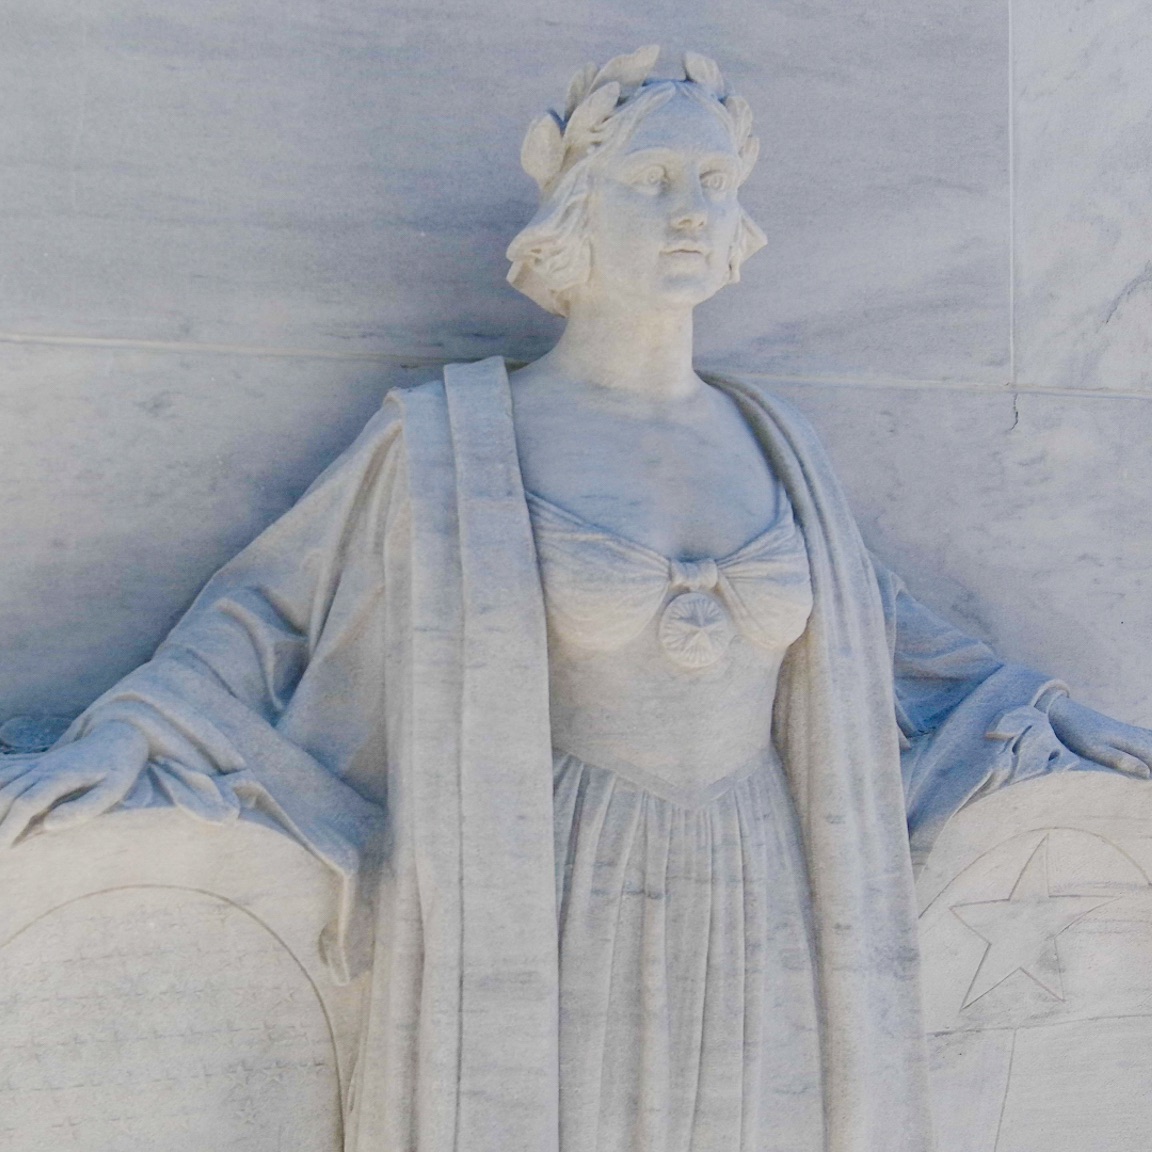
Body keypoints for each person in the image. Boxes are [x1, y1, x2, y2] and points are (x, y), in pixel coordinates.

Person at [1, 47, 1150, 1152]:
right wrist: (134, 732)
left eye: (714, 179)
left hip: (764, 885)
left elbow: (891, 642)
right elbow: (270, 614)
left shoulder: (775, 444)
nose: (691, 207)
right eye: (651, 181)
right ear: (575, 212)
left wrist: (1046, 713)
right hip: (550, 889)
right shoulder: (457, 439)